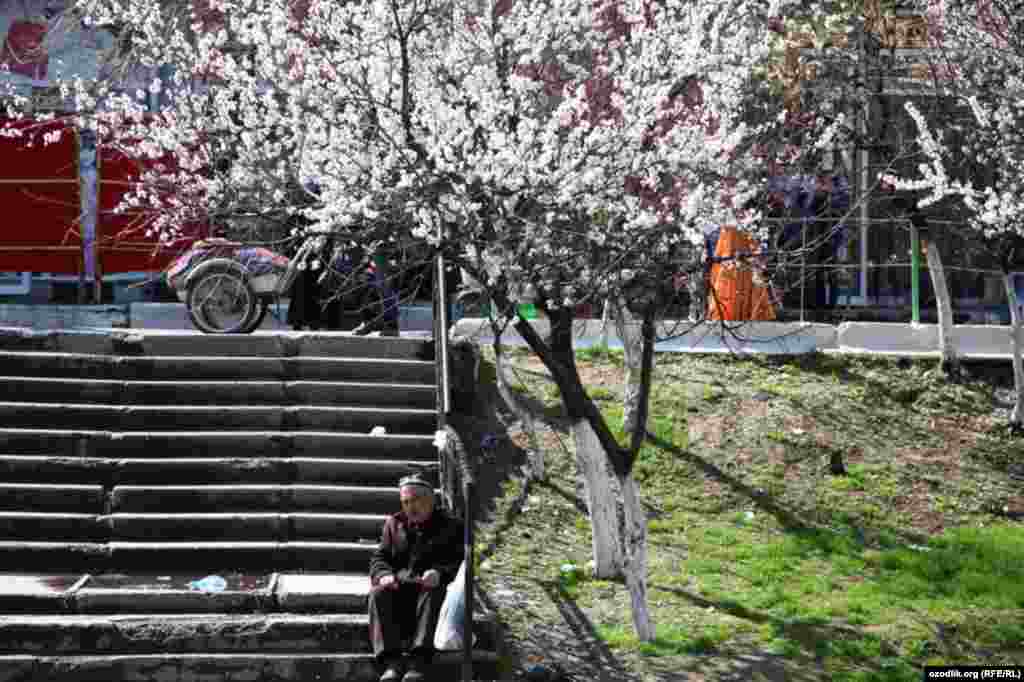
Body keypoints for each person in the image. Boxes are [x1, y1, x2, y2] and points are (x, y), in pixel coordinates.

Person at [369, 473, 465, 682]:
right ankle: (391, 663)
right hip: (401, 592)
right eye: (406, 502)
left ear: (431, 500)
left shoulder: (451, 525)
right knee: (378, 592)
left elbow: (461, 562)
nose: (411, 507)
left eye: (416, 501)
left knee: (433, 592)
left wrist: (440, 574)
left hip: (430, 595)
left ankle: (418, 662)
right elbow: (379, 557)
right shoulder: (394, 524)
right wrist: (384, 575)